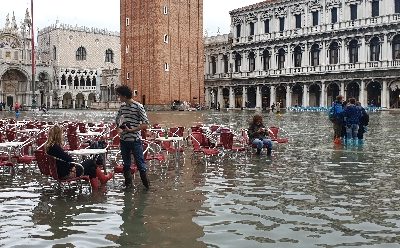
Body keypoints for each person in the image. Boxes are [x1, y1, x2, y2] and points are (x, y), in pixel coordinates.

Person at [45, 125, 113, 189]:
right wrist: (73, 165)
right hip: (67, 173)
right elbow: (70, 160)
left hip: (59, 173)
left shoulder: (49, 147)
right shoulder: (56, 147)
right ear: (58, 135)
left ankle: (96, 190)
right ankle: (103, 179)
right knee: (90, 161)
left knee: (91, 169)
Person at [115, 85, 150, 189]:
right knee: (126, 165)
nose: (119, 98)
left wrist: (131, 130)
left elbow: (145, 124)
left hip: (135, 140)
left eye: (120, 96)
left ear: (125, 96)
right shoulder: (122, 107)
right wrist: (119, 128)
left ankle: (147, 187)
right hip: (124, 140)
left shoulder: (139, 106)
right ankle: (128, 187)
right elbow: (117, 120)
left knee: (140, 164)